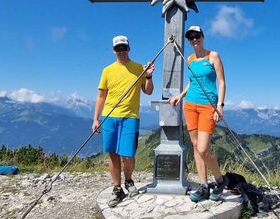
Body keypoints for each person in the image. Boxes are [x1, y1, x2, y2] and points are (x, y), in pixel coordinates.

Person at [93, 35, 155, 207]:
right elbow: (101, 96)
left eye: (124, 47)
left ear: (129, 48)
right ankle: (117, 188)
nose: (121, 51)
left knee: (128, 154)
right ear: (114, 50)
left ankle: (128, 180)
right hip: (109, 116)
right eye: (118, 48)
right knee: (112, 154)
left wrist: (148, 76)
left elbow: (148, 91)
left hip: (130, 116)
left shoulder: (139, 68)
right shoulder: (107, 70)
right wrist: (96, 119)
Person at [169, 26, 227, 202]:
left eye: (197, 36)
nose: (194, 39)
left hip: (208, 105)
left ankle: (219, 180)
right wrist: (181, 95)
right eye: (191, 37)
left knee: (203, 148)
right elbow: (192, 82)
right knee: (195, 147)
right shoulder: (190, 59)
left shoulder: (213, 56)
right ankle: (203, 186)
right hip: (190, 105)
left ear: (203, 37)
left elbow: (222, 82)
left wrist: (220, 105)